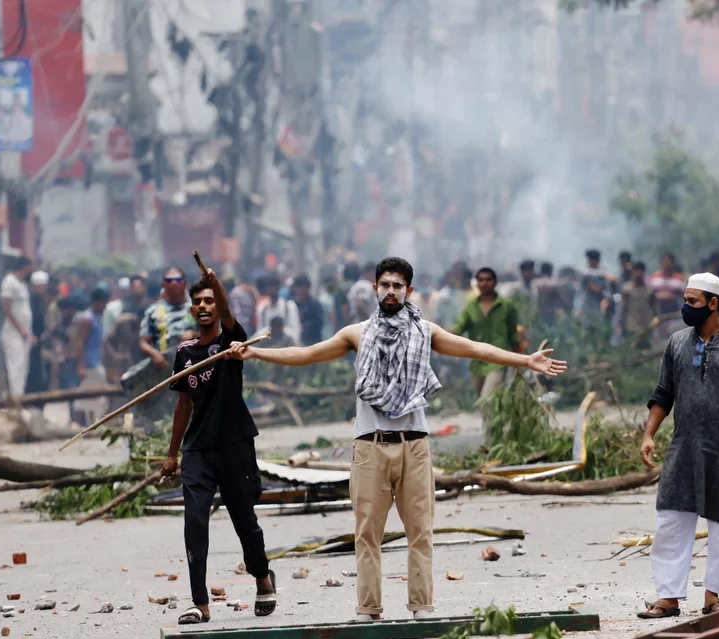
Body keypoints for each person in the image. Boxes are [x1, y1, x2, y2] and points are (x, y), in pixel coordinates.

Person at [232, 257, 566, 620]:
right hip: (369, 446)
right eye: (385, 284)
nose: (391, 291)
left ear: (408, 291)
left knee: (420, 531)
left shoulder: (426, 331)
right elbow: (307, 354)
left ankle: (421, 607)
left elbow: (474, 348)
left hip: (414, 445)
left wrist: (524, 360)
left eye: (398, 285)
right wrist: (255, 352)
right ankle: (368, 609)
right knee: (367, 534)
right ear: (376, 288)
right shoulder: (355, 334)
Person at [637, 272, 719, 619]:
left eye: (692, 301)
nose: (685, 307)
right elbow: (663, 393)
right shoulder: (677, 343)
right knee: (670, 522)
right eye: (684, 300)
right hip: (683, 450)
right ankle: (668, 597)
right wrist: (649, 434)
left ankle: (714, 596)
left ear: (713, 303)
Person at [161, 273, 276, 624]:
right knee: (194, 520)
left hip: (235, 444)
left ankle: (262, 575)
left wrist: (217, 285)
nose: (203, 307)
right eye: (198, 302)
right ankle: (200, 602)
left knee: (245, 521)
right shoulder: (185, 353)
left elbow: (228, 315)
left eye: (209, 301)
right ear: (191, 309)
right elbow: (183, 406)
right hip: (199, 448)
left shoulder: (232, 343)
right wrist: (172, 453)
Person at [452, 267, 521, 400]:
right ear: (477, 283)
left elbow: (513, 333)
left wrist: (518, 359)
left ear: (495, 282)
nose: (485, 283)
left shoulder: (507, 306)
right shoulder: (470, 307)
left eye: (488, 280)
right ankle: (494, 421)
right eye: (481, 280)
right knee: (483, 401)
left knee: (487, 398)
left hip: (498, 359)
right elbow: (459, 327)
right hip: (477, 361)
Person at [139, 267, 198, 369]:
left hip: (193, 362)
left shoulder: (197, 306)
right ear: (163, 284)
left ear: (184, 283)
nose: (174, 283)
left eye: (178, 280)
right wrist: (154, 353)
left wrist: (195, 335)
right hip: (164, 365)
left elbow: (215, 334)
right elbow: (143, 342)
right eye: (169, 280)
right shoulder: (153, 311)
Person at [71, 287, 110, 425]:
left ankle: (94, 422)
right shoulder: (87, 318)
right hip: (88, 363)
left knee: (96, 395)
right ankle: (75, 422)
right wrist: (81, 366)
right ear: (97, 302)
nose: (106, 306)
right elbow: (81, 342)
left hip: (96, 361)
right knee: (84, 394)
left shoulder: (98, 317)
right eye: (104, 302)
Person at [0, 257, 35, 397]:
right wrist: (20, 329)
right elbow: (7, 308)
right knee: (15, 365)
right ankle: (15, 397)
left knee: (23, 367)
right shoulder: (9, 282)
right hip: (13, 332)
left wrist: (27, 332)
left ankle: (20, 396)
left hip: (25, 332)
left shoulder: (23, 284)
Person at [620, 262, 656, 348]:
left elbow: (654, 308)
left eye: (640, 271)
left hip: (647, 325)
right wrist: (620, 325)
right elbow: (622, 309)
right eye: (635, 271)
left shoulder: (649, 290)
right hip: (632, 325)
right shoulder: (627, 289)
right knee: (632, 348)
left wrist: (655, 323)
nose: (638, 274)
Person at [290, 275, 325, 345]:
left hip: (312, 341)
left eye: (302, 287)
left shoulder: (314, 304)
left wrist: (305, 326)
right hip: (295, 341)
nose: (300, 290)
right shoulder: (290, 304)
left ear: (307, 288)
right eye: (298, 287)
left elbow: (319, 322)